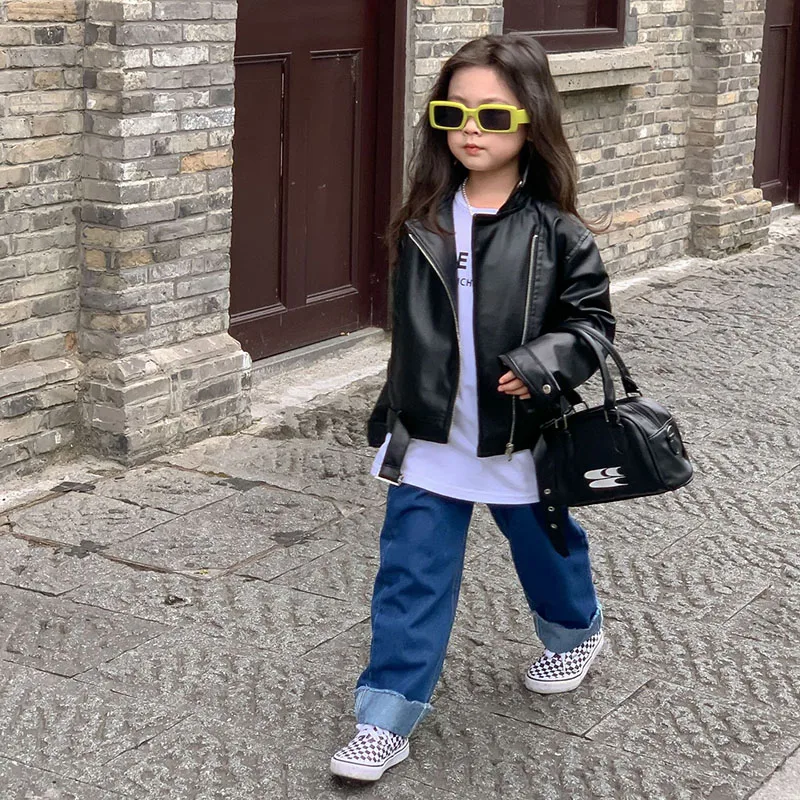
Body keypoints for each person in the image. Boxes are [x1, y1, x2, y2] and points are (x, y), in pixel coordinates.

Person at [330, 32, 614, 783]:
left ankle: (576, 631)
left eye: (493, 115)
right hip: (430, 435)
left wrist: (541, 364)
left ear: (531, 119)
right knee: (411, 572)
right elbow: (413, 337)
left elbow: (592, 324)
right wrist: (393, 414)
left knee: (546, 550)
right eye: (454, 113)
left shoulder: (557, 232)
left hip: (520, 436)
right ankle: (385, 717)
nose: (470, 130)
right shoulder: (422, 219)